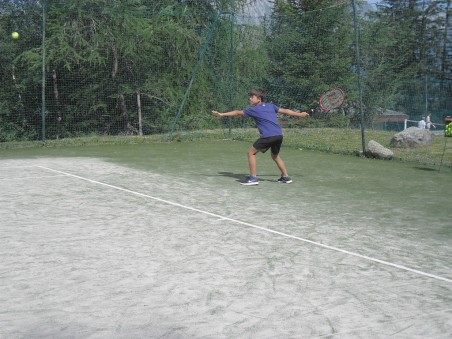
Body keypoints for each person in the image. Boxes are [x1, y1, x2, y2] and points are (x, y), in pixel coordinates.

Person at [211, 88, 309, 186]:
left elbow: (237, 112)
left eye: (252, 97)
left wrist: (222, 114)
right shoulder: (271, 106)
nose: (250, 99)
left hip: (268, 136)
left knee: (251, 153)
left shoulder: (254, 109)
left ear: (259, 99)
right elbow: (286, 111)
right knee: (275, 156)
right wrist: (300, 114)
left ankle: (253, 178)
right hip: (279, 135)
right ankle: (286, 177)